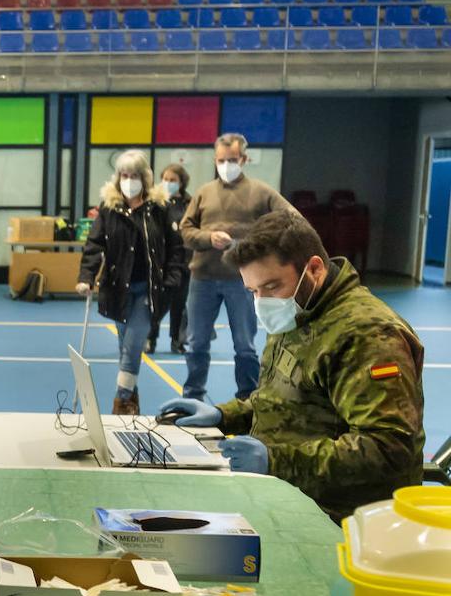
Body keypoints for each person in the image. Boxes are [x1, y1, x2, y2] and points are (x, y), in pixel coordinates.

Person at [160, 211, 425, 521]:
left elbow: (389, 449)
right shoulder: (297, 310)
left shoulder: (367, 335)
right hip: (286, 497)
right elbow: (286, 401)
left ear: (314, 269)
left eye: (271, 286)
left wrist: (276, 461)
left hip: (339, 519)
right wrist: (225, 416)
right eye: (253, 291)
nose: (262, 302)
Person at [180, 132, 297, 402]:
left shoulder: (261, 192)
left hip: (243, 282)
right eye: (221, 160)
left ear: (244, 159)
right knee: (196, 343)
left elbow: (292, 219)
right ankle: (192, 398)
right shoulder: (203, 193)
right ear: (215, 159)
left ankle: (248, 400)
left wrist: (255, 244)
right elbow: (185, 231)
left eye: (232, 160)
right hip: (202, 278)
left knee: (245, 346)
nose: (226, 165)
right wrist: (208, 238)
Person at [76, 150, 181, 416]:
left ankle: (121, 401)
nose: (129, 180)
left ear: (144, 178)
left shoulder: (159, 209)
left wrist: (171, 280)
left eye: (134, 175)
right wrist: (86, 277)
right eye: (124, 175)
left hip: (149, 290)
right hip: (117, 290)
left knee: (134, 344)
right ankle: (132, 401)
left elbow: (175, 247)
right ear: (118, 177)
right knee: (126, 349)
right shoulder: (108, 209)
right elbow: (94, 245)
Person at [148, 163, 191, 355]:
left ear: (181, 182)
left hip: (185, 262)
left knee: (180, 306)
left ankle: (177, 341)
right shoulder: (156, 202)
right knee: (158, 304)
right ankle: (150, 339)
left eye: (172, 180)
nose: (168, 183)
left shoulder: (190, 203)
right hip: (162, 262)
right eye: (165, 179)